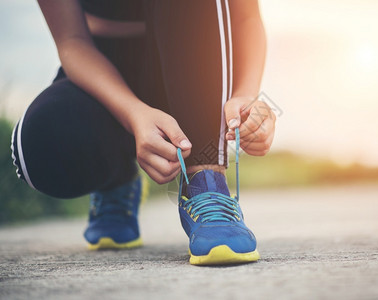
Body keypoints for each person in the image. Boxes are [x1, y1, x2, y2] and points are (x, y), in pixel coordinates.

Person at [11, 0, 275, 265]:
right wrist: (134, 113)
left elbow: (245, 17)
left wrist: (245, 96)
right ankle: (116, 178)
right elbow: (72, 40)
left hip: (194, 61)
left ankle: (206, 183)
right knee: (39, 145)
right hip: (103, 66)